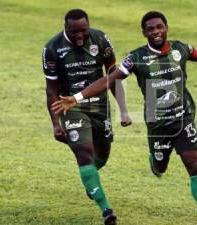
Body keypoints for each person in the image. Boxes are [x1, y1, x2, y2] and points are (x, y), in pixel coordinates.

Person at [51, 11, 197, 225]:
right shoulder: (136, 59)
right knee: (160, 168)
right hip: (158, 123)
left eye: (159, 27)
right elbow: (110, 79)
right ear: (144, 32)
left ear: (166, 28)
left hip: (183, 117)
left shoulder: (181, 49)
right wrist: (77, 98)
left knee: (194, 163)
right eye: (150, 29)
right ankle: (155, 159)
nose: (156, 32)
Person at [42, 9, 131, 225]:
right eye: (74, 33)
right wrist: (55, 123)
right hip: (70, 106)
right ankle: (107, 210)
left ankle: (90, 180)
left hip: (99, 106)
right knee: (84, 153)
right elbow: (51, 89)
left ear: (89, 26)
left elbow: (114, 76)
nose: (79, 36)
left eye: (83, 31)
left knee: (102, 154)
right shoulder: (52, 48)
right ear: (66, 28)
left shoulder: (100, 39)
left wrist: (123, 109)